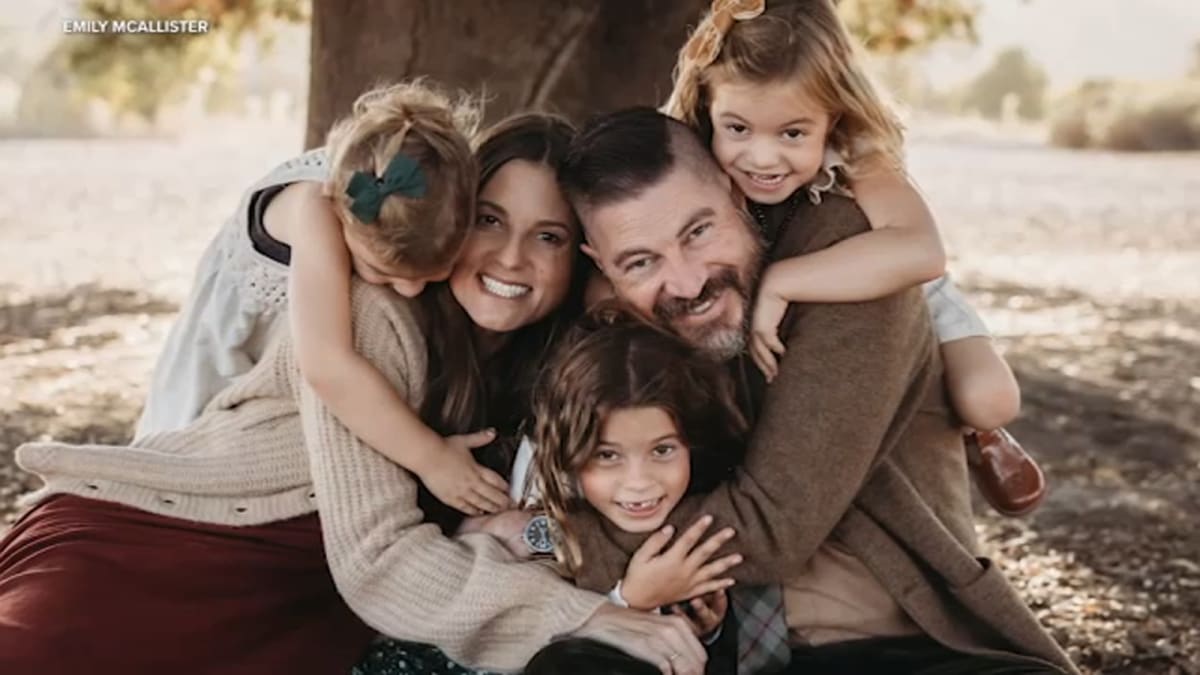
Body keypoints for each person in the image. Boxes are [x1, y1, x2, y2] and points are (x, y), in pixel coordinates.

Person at [0, 111, 711, 675]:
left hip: (302, 612)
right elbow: (379, 559)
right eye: (489, 220)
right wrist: (583, 613)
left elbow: (554, 526)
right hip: (162, 551)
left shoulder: (554, 369)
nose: (510, 257)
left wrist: (548, 544)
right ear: (455, 216)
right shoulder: (379, 316)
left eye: (548, 236)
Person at [522, 105, 1078, 673]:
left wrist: (559, 541)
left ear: (737, 195)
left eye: (699, 231)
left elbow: (772, 524)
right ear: (602, 264)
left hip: (886, 648)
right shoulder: (618, 315)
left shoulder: (851, 265)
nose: (687, 282)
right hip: (705, 641)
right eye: (640, 262)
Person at [663, 0, 1044, 516]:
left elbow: (921, 250)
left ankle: (982, 438)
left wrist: (781, 281)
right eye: (738, 130)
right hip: (801, 295)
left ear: (833, 117)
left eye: (793, 134)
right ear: (709, 106)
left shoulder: (859, 152)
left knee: (988, 398)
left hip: (898, 280)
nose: (762, 157)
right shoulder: (693, 149)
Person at [137, 80, 513, 518]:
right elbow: (327, 365)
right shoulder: (315, 207)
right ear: (341, 207)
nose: (411, 291)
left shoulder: (432, 192)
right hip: (228, 359)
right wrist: (431, 458)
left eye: (433, 277)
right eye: (386, 275)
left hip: (289, 373)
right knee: (185, 476)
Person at [524, 305, 751, 674]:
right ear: (570, 452)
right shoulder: (537, 526)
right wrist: (630, 602)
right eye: (607, 455)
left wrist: (703, 632)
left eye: (663, 450)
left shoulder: (708, 501)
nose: (640, 482)